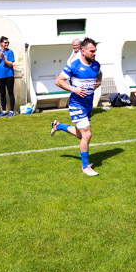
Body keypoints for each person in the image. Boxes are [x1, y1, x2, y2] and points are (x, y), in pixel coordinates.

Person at [50, 37, 101, 176]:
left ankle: (58, 126)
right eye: (92, 51)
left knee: (81, 134)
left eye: (95, 51)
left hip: (88, 104)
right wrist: (75, 89)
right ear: (83, 51)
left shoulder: (96, 65)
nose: (94, 53)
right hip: (76, 104)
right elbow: (59, 81)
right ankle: (85, 167)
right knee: (87, 134)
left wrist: (99, 82)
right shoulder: (74, 65)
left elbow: (99, 74)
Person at [0, 36, 16, 117]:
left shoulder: (10, 52)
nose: (7, 44)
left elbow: (10, 64)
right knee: (2, 93)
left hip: (9, 75)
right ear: (1, 43)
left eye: (8, 43)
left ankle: (11, 111)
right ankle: (3, 110)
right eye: (5, 42)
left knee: (10, 93)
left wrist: (4, 58)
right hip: (0, 76)